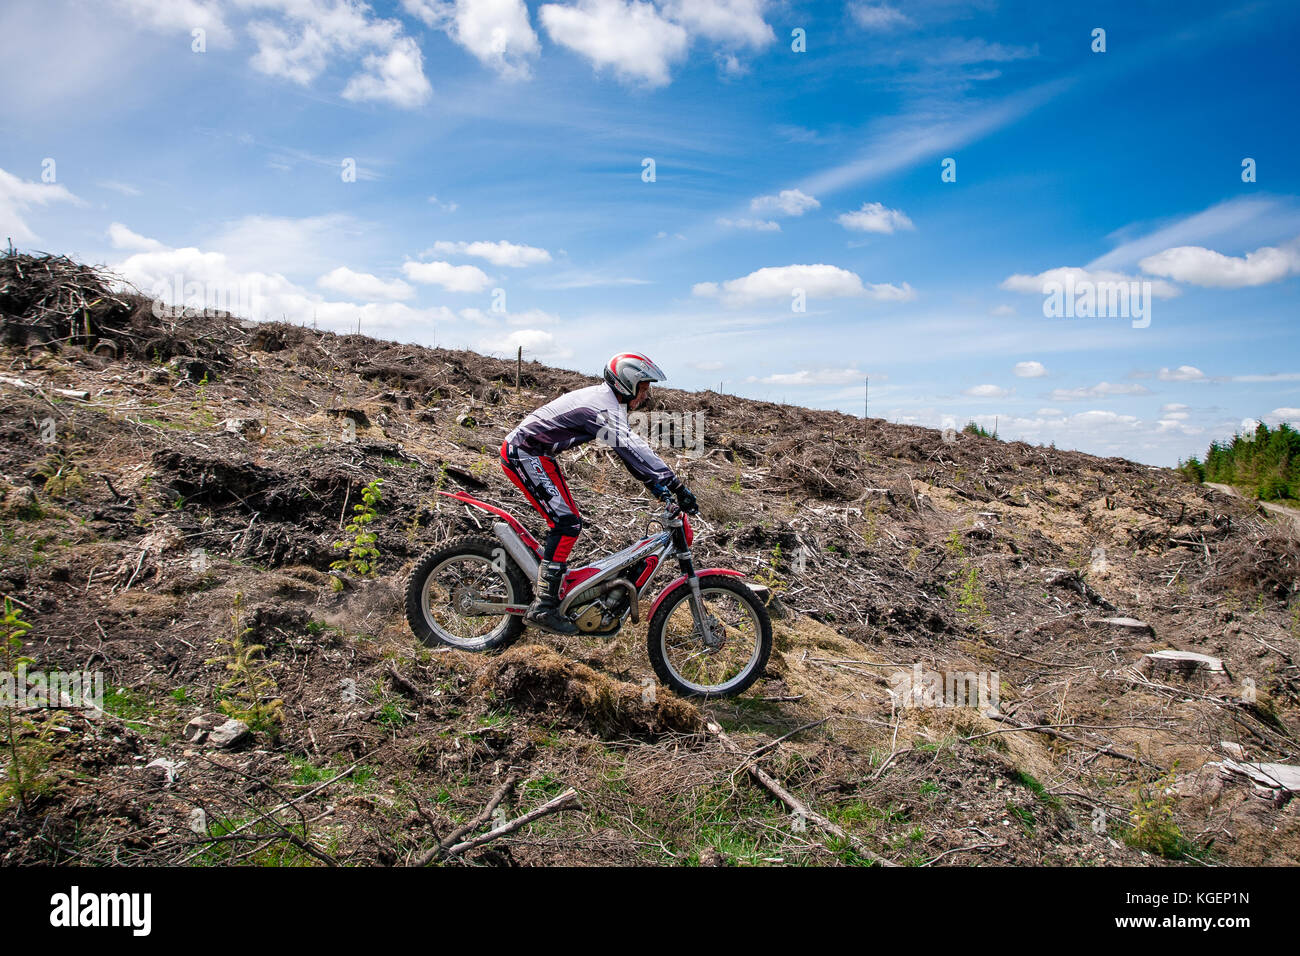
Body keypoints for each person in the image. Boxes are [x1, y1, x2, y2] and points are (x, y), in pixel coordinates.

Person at [500, 352, 698, 634]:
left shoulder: (608, 404)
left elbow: (628, 454)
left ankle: (551, 586)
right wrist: (675, 485)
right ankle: (543, 607)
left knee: (569, 520)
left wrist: (659, 489)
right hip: (524, 452)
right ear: (626, 383)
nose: (646, 396)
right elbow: (634, 450)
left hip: (538, 454)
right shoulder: (602, 407)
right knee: (566, 523)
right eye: (643, 388)